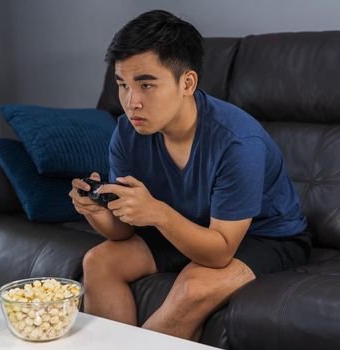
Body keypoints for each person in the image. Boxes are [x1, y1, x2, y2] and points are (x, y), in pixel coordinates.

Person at [69, 9, 311, 341]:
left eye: (146, 85)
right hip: (179, 225)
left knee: (192, 288)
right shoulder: (126, 132)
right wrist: (96, 212)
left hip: (262, 238)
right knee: (98, 262)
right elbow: (123, 231)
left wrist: (156, 212)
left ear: (188, 82)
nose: (131, 101)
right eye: (122, 85)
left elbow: (220, 250)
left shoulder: (237, 142)